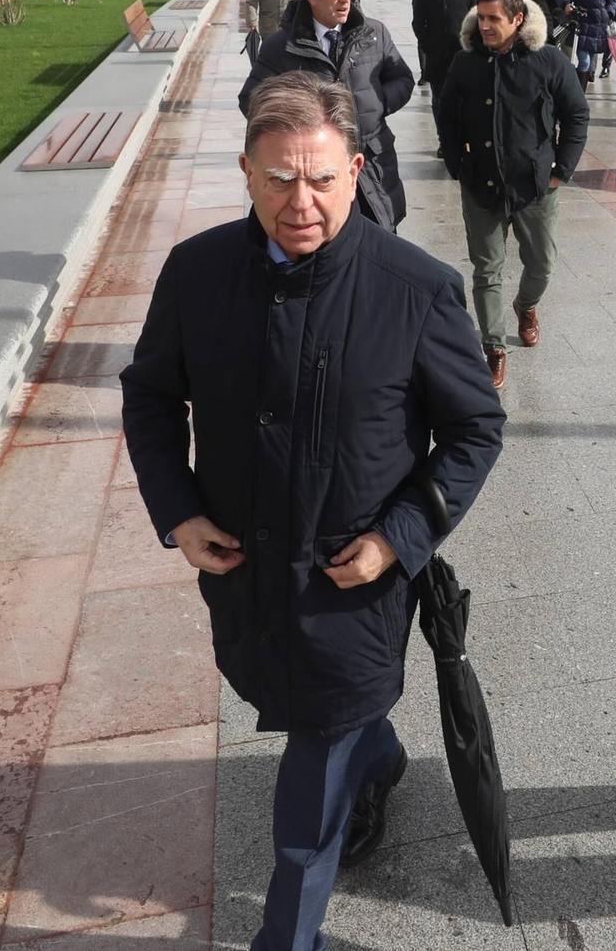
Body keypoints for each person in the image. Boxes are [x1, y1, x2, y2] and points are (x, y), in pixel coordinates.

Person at [121, 71, 506, 951]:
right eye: (281, 179)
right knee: (312, 711)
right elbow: (149, 399)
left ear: (357, 170)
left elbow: (476, 428)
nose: (303, 202)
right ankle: (379, 751)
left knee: (310, 775)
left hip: (353, 584)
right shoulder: (197, 271)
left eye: (324, 179)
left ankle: (286, 937)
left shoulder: (416, 287)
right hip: (244, 568)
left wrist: (399, 540)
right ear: (247, 173)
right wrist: (177, 511)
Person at [434, 0, 588, 390]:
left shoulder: (548, 60)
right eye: (480, 18)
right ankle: (494, 348)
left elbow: (577, 115)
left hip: (535, 185)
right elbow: (446, 116)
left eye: (493, 19)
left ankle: (526, 306)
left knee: (542, 264)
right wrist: (456, 163)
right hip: (481, 185)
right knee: (487, 271)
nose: (484, 26)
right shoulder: (465, 63)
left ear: (517, 20)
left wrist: (562, 170)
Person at [242, 0, 415, 229]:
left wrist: (377, 104)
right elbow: (250, 99)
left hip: (372, 166)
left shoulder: (373, 34)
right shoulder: (280, 46)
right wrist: (297, 116)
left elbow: (403, 80)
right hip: (315, 174)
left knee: (380, 249)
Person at [411, 0, 477, 137]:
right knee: (439, 100)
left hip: (464, 55)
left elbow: (478, 18)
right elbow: (418, 22)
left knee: (464, 100)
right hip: (437, 56)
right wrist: (427, 45)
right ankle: (444, 138)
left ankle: (462, 137)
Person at [552, 0, 616, 92]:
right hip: (581, 23)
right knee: (584, 61)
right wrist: (566, 4)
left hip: (598, 25)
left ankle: (579, 92)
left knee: (589, 62)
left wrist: (609, 12)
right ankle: (579, 94)